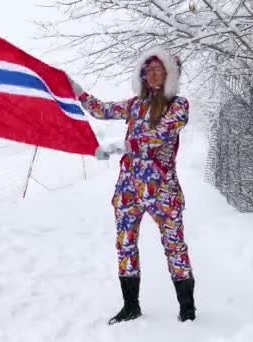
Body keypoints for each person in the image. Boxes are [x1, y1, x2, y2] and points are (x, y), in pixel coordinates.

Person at [68, 48, 196, 323]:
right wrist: (76, 91)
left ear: (169, 75)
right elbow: (102, 110)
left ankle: (187, 309)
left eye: (158, 70)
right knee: (125, 244)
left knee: (174, 245)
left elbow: (160, 135)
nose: (152, 75)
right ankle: (131, 305)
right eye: (148, 70)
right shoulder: (135, 105)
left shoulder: (179, 105)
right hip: (128, 189)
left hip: (163, 189)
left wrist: (123, 146)